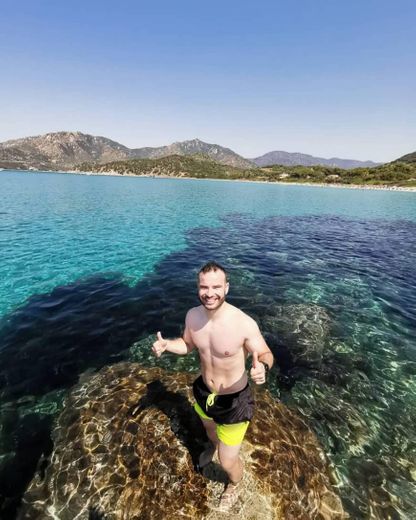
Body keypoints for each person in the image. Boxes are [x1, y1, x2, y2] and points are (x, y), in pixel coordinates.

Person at [152, 261, 274, 509]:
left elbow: (265, 352)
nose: (209, 293)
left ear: (227, 288)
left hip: (233, 402)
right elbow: (187, 345)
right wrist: (168, 346)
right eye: (204, 287)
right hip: (203, 391)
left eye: (216, 287)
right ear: (198, 287)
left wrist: (263, 368)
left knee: (228, 461)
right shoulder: (193, 316)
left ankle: (235, 483)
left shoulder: (244, 323)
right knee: (209, 430)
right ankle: (213, 446)